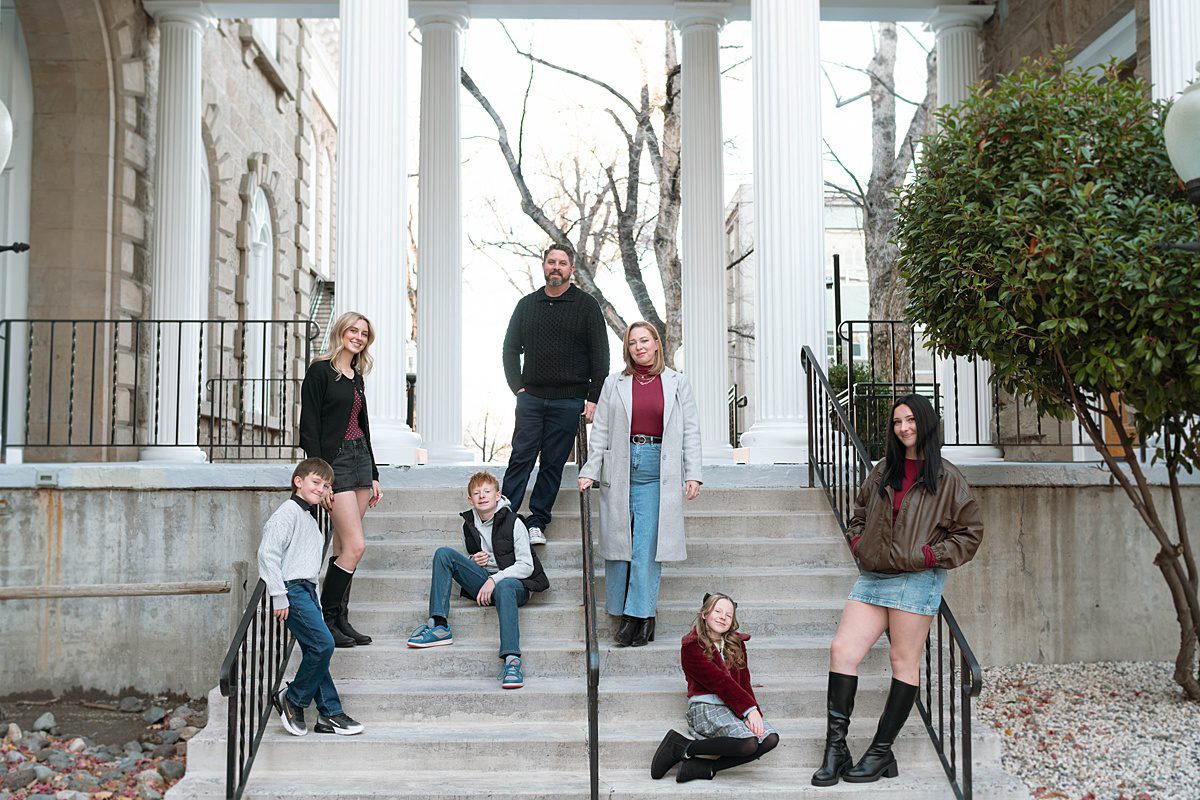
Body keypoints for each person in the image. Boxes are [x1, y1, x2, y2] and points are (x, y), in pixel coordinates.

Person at [811, 393, 984, 786]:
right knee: (843, 651)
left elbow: (970, 534)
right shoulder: (883, 469)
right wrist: (859, 543)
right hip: (874, 575)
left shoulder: (948, 478)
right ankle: (836, 750)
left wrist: (928, 555)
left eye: (910, 420)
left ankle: (880, 752)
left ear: (925, 423)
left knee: (902, 662)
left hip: (916, 577)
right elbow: (858, 514)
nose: (904, 428)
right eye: (897, 422)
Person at [578, 321, 701, 647]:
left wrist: (693, 473)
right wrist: (590, 469)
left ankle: (641, 618)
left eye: (645, 340)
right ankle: (624, 614)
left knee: (646, 547)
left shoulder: (677, 382)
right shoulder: (613, 383)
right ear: (627, 348)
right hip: (620, 466)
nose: (639, 347)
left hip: (656, 469)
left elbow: (690, 430)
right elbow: (600, 429)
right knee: (619, 547)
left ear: (657, 344)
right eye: (633, 342)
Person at [502, 243, 610, 545]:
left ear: (571, 269)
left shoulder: (586, 306)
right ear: (543, 266)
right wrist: (519, 389)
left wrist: (593, 398)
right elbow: (510, 349)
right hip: (531, 398)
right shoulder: (527, 305)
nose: (556, 267)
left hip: (569, 400)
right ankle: (504, 518)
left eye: (562, 263)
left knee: (552, 463)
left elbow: (600, 355)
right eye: (551, 262)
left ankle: (537, 522)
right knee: (521, 457)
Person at [406, 471, 550, 690]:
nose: (482, 496)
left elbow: (526, 566)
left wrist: (495, 579)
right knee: (443, 554)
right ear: (470, 499)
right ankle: (440, 625)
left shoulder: (514, 521)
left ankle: (512, 661)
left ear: (497, 495)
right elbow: (481, 557)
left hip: (516, 585)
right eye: (476, 493)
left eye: (487, 491)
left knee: (504, 586)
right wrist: (475, 560)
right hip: (486, 582)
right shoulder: (469, 524)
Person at [260, 457, 364, 737]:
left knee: (315, 649)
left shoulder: (307, 516)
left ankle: (330, 713)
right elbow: (268, 554)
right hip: (291, 590)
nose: (321, 489)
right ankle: (293, 698)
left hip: (306, 590)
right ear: (298, 481)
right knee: (323, 645)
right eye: (316, 482)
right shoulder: (287, 513)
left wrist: (314, 597)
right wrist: (279, 596)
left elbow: (307, 565)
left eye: (326, 485)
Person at [299, 311, 383, 649]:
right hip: (337, 463)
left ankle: (340, 620)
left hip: (361, 458)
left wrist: (374, 474)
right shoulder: (320, 371)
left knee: (343, 547)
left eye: (364, 333)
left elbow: (363, 427)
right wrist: (322, 478)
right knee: (356, 546)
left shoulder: (356, 376)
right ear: (341, 332)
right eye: (354, 330)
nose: (359, 337)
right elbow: (309, 427)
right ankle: (326, 617)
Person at [649, 593, 779, 783]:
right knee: (748, 743)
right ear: (704, 613)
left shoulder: (736, 644)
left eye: (728, 614)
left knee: (769, 738)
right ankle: (682, 746)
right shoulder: (691, 646)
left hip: (734, 707)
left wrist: (752, 713)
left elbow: (744, 683)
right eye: (717, 611)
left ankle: (703, 766)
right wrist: (748, 710)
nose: (723, 617)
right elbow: (719, 681)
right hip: (706, 707)